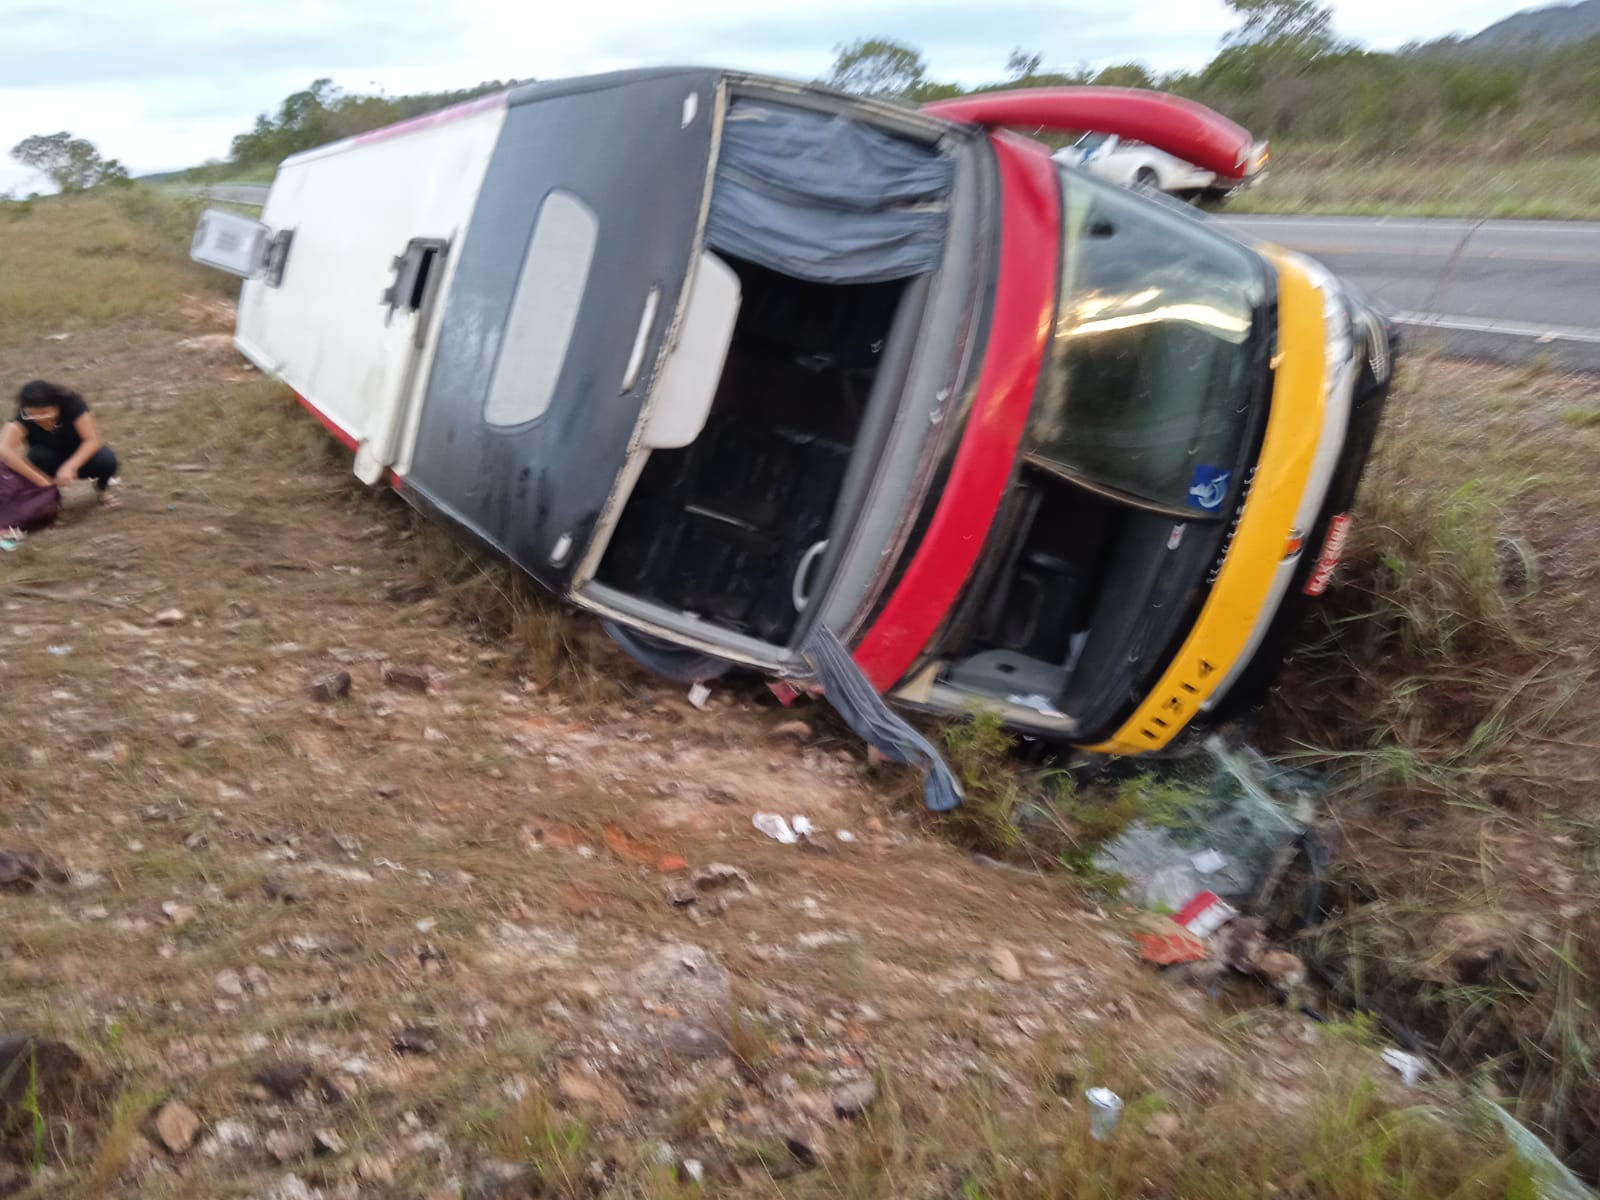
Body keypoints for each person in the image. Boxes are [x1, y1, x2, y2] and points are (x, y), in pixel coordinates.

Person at [0, 380, 119, 507]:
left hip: (80, 455)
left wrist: (70, 467)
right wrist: (42, 482)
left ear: (56, 406)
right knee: (36, 455)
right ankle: (48, 498)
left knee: (106, 459)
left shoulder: (72, 404)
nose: (39, 419)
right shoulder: (22, 418)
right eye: (32, 414)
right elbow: (4, 449)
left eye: (44, 412)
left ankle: (102, 489)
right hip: (48, 460)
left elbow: (92, 440)